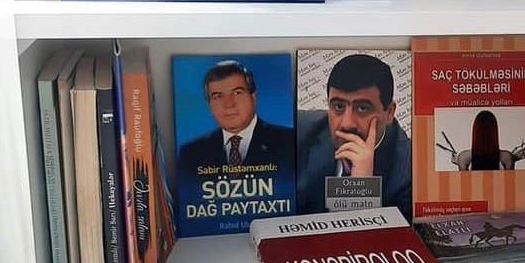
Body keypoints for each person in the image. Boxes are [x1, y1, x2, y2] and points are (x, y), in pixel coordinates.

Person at [297, 54, 411, 219]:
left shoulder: (409, 173)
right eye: (338, 106)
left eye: (362, 108)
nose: (347, 123)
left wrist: (361, 188)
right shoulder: (299, 131)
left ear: (389, 112)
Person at [176, 60, 293, 179]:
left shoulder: (289, 142)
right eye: (218, 96)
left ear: (253, 97)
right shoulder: (190, 154)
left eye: (237, 93)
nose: (229, 104)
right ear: (209, 104)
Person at [447, 110, 525, 171]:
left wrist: (459, 162)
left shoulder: (464, 157)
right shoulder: (506, 157)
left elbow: (465, 183)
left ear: (475, 132)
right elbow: (509, 183)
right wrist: (512, 159)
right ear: (494, 132)